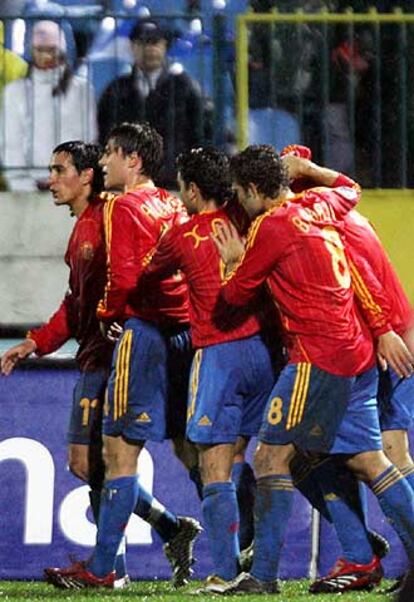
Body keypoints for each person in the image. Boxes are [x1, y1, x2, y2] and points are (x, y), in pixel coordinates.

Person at [208, 145, 414, 595]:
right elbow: (350, 188)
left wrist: (232, 262)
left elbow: (236, 297)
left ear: (255, 189)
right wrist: (311, 171)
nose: (240, 203)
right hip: (357, 351)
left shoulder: (269, 227)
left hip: (316, 358)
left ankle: (262, 578)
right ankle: (362, 554)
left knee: (271, 458)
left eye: (241, 193)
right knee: (367, 459)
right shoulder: (318, 203)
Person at [0, 139, 200, 590]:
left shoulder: (112, 216)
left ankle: (116, 565)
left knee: (102, 459)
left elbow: (132, 279)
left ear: (86, 175)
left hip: (114, 354)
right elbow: (75, 303)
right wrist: (35, 342)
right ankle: (163, 532)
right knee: (93, 463)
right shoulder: (85, 227)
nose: (50, 179)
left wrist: (125, 325)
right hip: (97, 351)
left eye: (59, 170)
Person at [137, 147, 277, 589]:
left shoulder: (182, 235)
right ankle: (262, 562)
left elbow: (142, 276)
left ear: (193, 190)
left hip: (219, 355)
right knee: (251, 458)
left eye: (181, 188)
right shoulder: (248, 219)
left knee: (212, 466)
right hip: (265, 353)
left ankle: (225, 571)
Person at [281, 143, 414, 593]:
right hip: (391, 338)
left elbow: (360, 280)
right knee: (325, 452)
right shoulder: (347, 212)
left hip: (382, 346)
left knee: (375, 456)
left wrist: (381, 332)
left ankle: (366, 556)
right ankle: (360, 555)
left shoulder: (317, 220)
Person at [97, 19, 208, 189]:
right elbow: (104, 136)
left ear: (165, 46)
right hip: (126, 187)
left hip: (173, 185)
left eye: (155, 42)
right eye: (142, 42)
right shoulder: (115, 91)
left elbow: (199, 137)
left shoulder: (185, 88)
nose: (149, 49)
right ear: (132, 46)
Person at [0, 20, 97, 192]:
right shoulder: (14, 92)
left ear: (62, 51)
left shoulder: (81, 91)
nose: (46, 56)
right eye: (40, 50)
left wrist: (71, 182)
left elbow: (88, 138)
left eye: (51, 50)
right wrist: (22, 185)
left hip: (72, 188)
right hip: (26, 192)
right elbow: (10, 143)